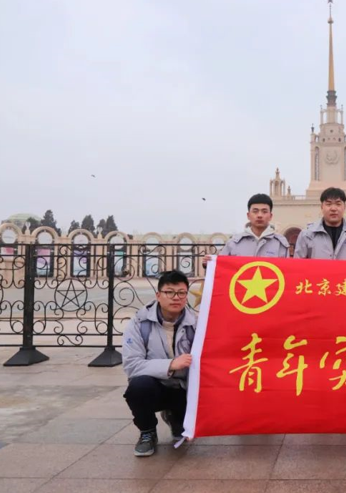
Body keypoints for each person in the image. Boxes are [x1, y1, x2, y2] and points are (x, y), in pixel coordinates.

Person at [122, 270, 196, 457]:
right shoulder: (139, 324)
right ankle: (147, 431)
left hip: (185, 389)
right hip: (156, 386)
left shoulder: (197, 323)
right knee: (138, 386)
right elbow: (132, 365)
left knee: (181, 428)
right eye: (169, 292)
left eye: (181, 293)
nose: (175, 298)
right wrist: (170, 365)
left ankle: (176, 418)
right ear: (158, 295)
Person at [203, 194, 289, 265]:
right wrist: (209, 264)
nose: (259, 215)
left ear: (270, 216)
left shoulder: (280, 243)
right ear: (248, 215)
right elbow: (221, 266)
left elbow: (288, 271)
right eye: (255, 211)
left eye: (264, 211)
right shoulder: (234, 242)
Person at [293, 187, 346, 261]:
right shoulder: (307, 235)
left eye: (338, 204)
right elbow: (298, 267)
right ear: (321, 207)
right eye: (328, 204)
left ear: (344, 207)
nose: (333, 209)